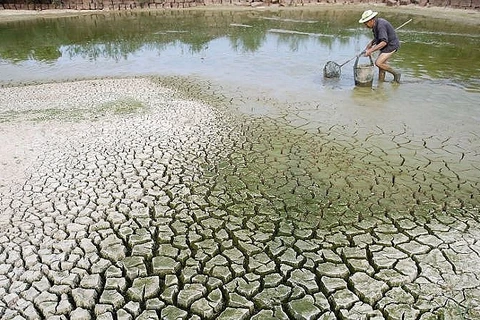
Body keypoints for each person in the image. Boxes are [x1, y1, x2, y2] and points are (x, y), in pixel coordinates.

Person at [359, 10, 401, 83]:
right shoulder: (375, 25)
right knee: (381, 67)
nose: (365, 26)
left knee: (378, 63)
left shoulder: (381, 25)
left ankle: (396, 73)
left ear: (371, 20)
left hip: (391, 45)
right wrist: (371, 43)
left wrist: (370, 51)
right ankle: (381, 84)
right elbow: (378, 37)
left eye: (366, 23)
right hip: (386, 45)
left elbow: (384, 42)